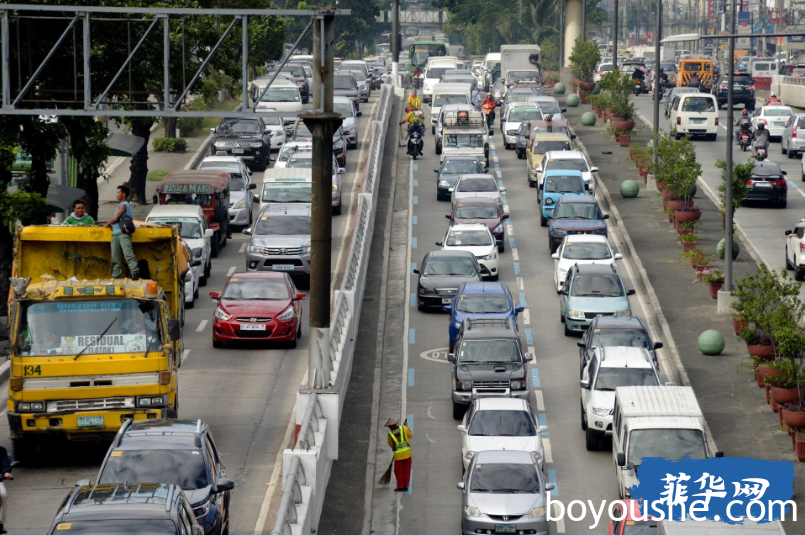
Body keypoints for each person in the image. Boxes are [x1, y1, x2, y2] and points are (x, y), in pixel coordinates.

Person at [105, 185, 140, 280]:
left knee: (128, 253)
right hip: (116, 233)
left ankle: (135, 272)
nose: (116, 194)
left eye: (118, 192)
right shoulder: (120, 205)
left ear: (124, 194)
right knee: (115, 256)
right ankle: (116, 274)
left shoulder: (124, 205)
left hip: (123, 233)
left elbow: (116, 218)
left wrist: (108, 224)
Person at [385, 417, 412, 492]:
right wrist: (406, 427)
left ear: (390, 427)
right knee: (407, 471)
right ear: (396, 424)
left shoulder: (390, 434)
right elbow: (410, 435)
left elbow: (390, 444)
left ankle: (400, 487)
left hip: (398, 456)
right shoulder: (404, 428)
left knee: (399, 472)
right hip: (407, 454)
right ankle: (406, 486)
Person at [0, 444, 12, 534]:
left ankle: (0, 523)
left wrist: (7, 472)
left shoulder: (1, 450)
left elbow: (5, 464)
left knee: (3, 494)